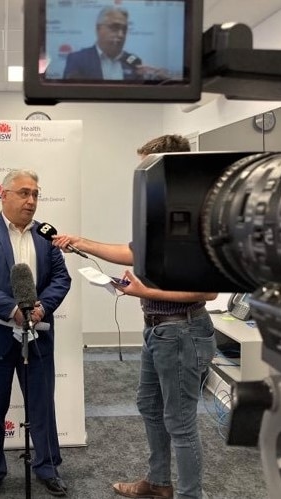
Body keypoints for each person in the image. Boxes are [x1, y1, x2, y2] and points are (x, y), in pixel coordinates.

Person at [51, 134, 217, 499]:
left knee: (181, 423)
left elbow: (208, 292)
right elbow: (131, 252)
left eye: (145, 169)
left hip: (182, 332)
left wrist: (146, 292)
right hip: (159, 331)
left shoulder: (198, 218)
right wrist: (79, 241)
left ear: (167, 170)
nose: (139, 178)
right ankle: (158, 483)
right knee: (149, 405)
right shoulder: (162, 216)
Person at [0, 170, 71, 498]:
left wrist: (40, 309)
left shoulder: (46, 234)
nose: (31, 200)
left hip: (37, 334)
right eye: (24, 193)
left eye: (36, 194)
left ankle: (47, 467)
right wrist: (13, 309)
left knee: (42, 406)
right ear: (3, 194)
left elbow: (61, 279)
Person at [63, 6, 169, 81]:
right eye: (115, 27)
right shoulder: (77, 59)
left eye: (124, 29)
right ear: (98, 29)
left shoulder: (134, 61)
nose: (121, 34)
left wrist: (155, 82)